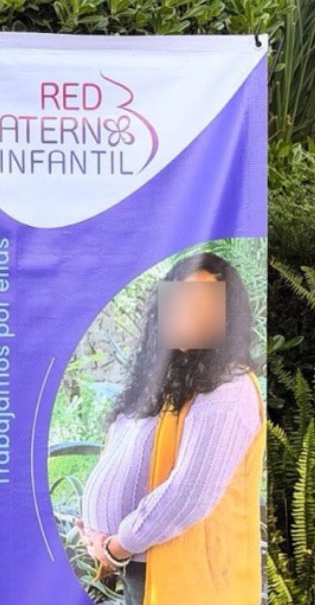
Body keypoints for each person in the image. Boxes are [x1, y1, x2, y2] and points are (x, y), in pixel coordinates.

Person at [76, 252, 265, 605]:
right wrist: (94, 530)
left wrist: (118, 546)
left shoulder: (228, 389)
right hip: (141, 563)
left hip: (191, 580)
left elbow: (187, 494)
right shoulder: (175, 377)